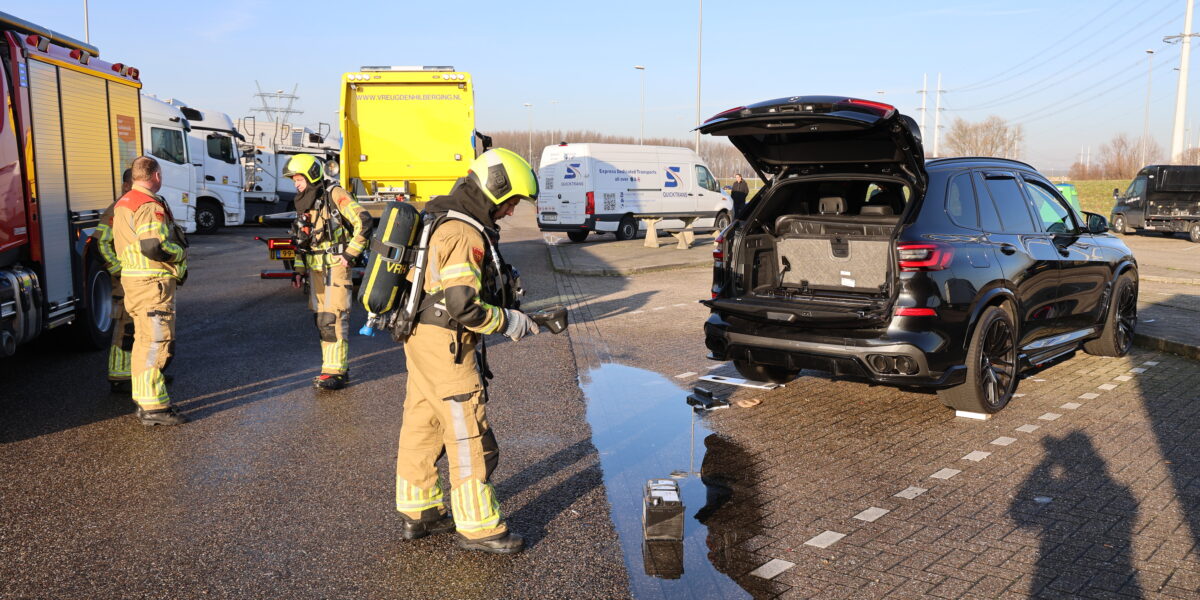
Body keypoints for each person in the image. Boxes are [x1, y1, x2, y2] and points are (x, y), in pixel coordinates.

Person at [394, 148, 542, 554]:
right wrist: (510, 322)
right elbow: (464, 306)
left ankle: (419, 510)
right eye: (511, 201)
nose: (511, 211)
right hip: (448, 345)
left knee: (423, 421)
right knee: (467, 431)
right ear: (496, 190)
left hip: (421, 336)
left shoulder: (442, 216)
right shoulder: (464, 233)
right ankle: (479, 528)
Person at [285, 154, 373, 390]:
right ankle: (329, 368)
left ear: (311, 175)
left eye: (299, 179)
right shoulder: (303, 202)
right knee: (322, 320)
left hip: (335, 266)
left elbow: (364, 221)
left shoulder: (335, 194)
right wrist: (298, 270)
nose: (296, 184)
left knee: (333, 318)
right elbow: (301, 240)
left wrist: (350, 254)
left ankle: (336, 372)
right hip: (315, 269)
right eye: (294, 180)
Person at [112, 156, 188, 426]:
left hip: (135, 282)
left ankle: (146, 401)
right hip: (151, 283)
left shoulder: (125, 202)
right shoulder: (147, 204)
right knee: (157, 343)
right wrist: (179, 254)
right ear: (156, 175)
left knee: (144, 343)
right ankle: (155, 408)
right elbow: (153, 246)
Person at [93, 169, 135, 393]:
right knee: (126, 329)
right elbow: (100, 244)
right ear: (126, 185)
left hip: (139, 281)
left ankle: (139, 374)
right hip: (128, 282)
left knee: (141, 331)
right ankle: (120, 377)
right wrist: (120, 271)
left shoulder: (137, 205)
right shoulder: (118, 208)